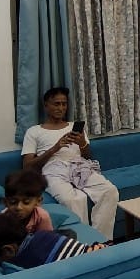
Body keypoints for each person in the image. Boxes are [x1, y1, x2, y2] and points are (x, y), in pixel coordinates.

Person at [21, 87, 119, 239]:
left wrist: (82, 144)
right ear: (46, 105)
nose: (61, 108)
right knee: (73, 200)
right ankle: (83, 242)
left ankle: (101, 239)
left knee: (110, 191)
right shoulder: (34, 131)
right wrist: (55, 148)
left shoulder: (74, 128)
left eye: (64, 104)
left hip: (79, 167)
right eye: (56, 104)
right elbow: (27, 166)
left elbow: (87, 156)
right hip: (53, 170)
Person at [0, 212, 106, 269]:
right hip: (97, 252)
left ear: (8, 250)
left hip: (91, 267)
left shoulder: (23, 261)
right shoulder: (42, 234)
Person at [2, 169, 53, 234]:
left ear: (38, 201)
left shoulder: (42, 217)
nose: (19, 207)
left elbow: (47, 238)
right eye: (13, 202)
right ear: (5, 202)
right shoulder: (3, 218)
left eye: (26, 202)